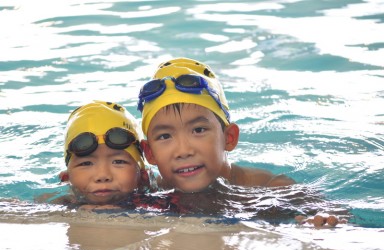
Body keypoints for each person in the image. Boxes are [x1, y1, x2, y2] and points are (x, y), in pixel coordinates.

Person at [137, 57, 296, 193]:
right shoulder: (152, 191)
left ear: (229, 137)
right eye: (165, 136)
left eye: (198, 130)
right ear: (150, 153)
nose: (184, 151)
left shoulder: (270, 189)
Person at [58, 100, 153, 209]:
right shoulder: (54, 206)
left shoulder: (159, 203)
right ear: (66, 179)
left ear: (144, 177)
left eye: (118, 162)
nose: (102, 176)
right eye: (86, 163)